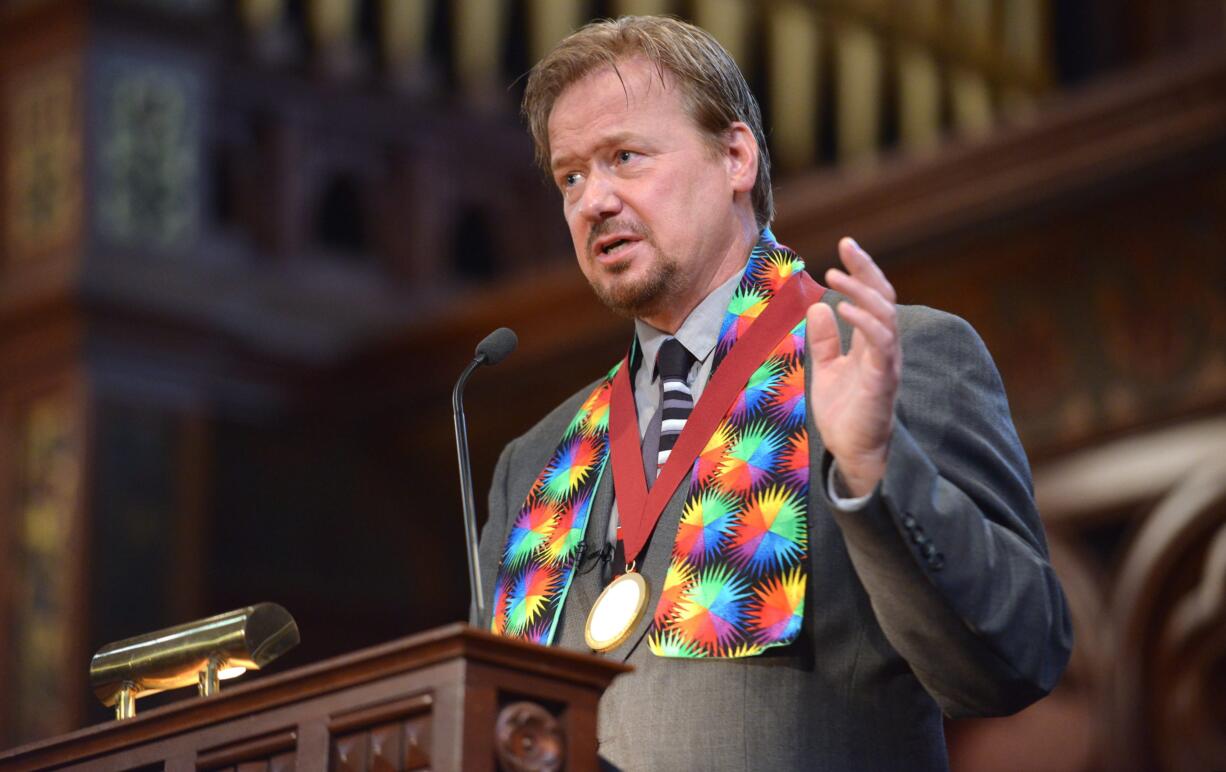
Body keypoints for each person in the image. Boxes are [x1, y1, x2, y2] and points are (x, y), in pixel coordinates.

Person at [476, 16, 1071, 771]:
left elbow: (1013, 660)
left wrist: (876, 470)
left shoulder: (891, 358)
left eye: (624, 157)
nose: (593, 200)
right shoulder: (533, 461)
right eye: (571, 176)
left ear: (735, 156)